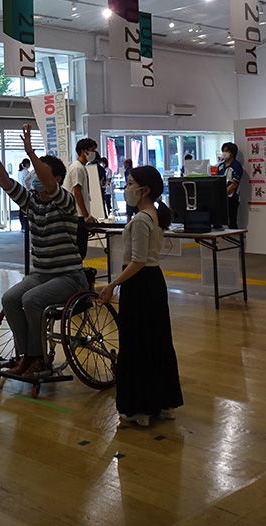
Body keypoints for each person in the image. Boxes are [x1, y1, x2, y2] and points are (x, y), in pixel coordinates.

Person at [0, 125, 88, 377]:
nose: (35, 175)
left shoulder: (65, 201)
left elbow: (50, 187)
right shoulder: (31, 201)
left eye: (41, 171)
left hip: (69, 276)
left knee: (32, 299)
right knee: (10, 298)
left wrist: (31, 152)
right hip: (41, 275)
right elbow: (5, 182)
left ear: (57, 179)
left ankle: (39, 359)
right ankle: (26, 355)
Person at [97, 165, 183, 428]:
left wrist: (113, 284)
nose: (127, 188)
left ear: (144, 190)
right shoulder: (155, 216)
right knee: (157, 341)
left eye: (130, 183)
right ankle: (164, 403)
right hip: (153, 283)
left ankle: (139, 408)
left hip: (139, 284)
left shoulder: (140, 221)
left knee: (136, 344)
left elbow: (137, 261)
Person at [63, 137, 98, 258]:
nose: (93, 153)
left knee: (81, 250)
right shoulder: (77, 168)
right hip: (76, 216)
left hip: (79, 215)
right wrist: (86, 216)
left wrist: (88, 215)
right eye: (92, 150)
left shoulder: (81, 167)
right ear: (84, 151)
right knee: (79, 251)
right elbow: (77, 192)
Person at [216, 142, 243, 228]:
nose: (224, 153)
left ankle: (236, 235)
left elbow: (234, 184)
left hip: (232, 197)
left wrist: (224, 193)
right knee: (219, 220)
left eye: (226, 151)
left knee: (232, 220)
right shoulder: (221, 166)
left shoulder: (236, 166)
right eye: (223, 151)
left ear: (232, 153)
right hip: (221, 198)